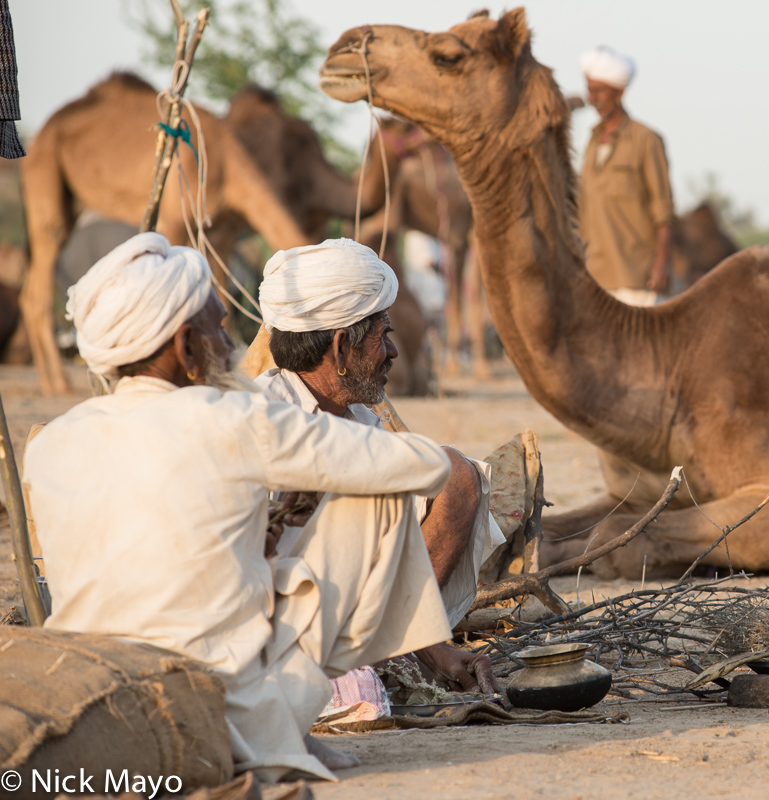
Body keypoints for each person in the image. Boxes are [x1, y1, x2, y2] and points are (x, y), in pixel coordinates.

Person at [24, 233, 460, 781]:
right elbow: (427, 466)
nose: (233, 349)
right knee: (379, 490)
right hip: (221, 716)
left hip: (95, 696)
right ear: (185, 347)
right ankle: (289, 729)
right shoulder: (236, 417)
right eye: (219, 329)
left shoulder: (50, 443)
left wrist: (263, 524)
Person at [253, 239, 505, 712]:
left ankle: (401, 650)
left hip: (335, 621)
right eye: (382, 335)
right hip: (270, 629)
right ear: (341, 346)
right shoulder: (261, 424)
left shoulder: (359, 420)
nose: (392, 351)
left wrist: (434, 648)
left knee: (456, 476)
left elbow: (380, 562)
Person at [577, 46, 674, 306]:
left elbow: (663, 210)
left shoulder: (646, 140)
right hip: (595, 278)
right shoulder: (592, 142)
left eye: (599, 91)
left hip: (636, 279)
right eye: (589, 90)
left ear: (619, 92)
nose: (592, 98)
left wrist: (661, 265)